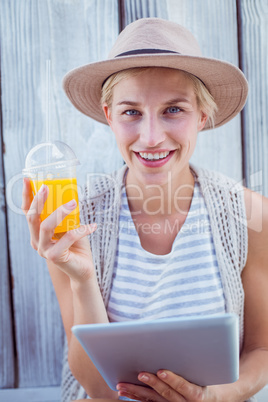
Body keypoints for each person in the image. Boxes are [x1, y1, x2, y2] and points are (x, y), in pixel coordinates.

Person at [21, 17, 268, 402]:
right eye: (131, 112)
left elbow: (262, 351)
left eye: (174, 109)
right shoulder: (71, 220)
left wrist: (214, 397)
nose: (151, 137)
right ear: (109, 116)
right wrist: (82, 278)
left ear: (202, 117)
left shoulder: (250, 216)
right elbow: (100, 391)